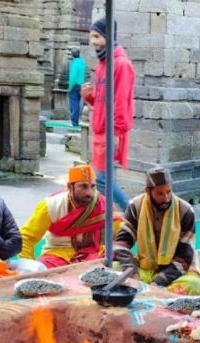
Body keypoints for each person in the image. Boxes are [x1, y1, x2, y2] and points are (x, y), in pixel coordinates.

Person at [113, 167, 200, 295]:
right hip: (144, 269)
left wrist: (159, 281)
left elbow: (184, 258)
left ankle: (149, 292)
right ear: (148, 191)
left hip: (175, 274)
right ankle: (156, 294)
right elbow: (121, 243)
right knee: (111, 268)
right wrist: (132, 272)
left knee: (195, 285)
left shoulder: (186, 211)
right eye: (160, 193)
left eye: (168, 192)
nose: (166, 198)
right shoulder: (135, 206)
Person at [81, 18, 135, 211]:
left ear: (108, 36)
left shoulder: (121, 64)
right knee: (103, 180)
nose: (93, 41)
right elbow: (102, 101)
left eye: (97, 36)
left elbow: (121, 102)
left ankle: (133, 214)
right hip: (100, 131)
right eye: (91, 37)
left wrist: (117, 133)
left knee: (102, 180)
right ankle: (107, 219)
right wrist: (89, 96)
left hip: (110, 132)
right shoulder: (103, 64)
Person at [20, 165, 119, 269]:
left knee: (113, 263)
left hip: (94, 253)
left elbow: (121, 234)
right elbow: (26, 238)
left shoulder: (104, 205)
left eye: (93, 186)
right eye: (83, 186)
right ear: (70, 186)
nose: (89, 193)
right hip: (58, 253)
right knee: (42, 270)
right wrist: (29, 266)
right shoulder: (50, 206)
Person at [67, 47, 86, 127]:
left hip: (74, 85)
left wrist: (70, 87)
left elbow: (73, 77)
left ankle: (74, 122)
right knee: (77, 103)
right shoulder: (82, 62)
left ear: (72, 55)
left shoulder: (74, 64)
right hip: (81, 84)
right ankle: (76, 120)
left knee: (73, 104)